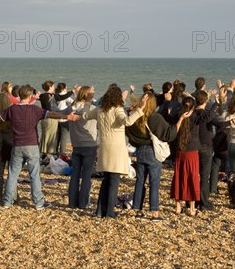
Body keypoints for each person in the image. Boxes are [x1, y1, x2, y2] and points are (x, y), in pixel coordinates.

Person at [0, 85, 78, 210]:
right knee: (34, 175)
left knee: (13, 174)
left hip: (17, 146)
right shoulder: (35, 109)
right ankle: (38, 203)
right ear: (29, 96)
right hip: (32, 145)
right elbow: (52, 114)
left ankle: (7, 201)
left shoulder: (12, 109)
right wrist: (67, 117)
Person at [82, 87, 147, 218]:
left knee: (106, 180)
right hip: (116, 150)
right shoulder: (117, 110)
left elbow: (84, 115)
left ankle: (100, 211)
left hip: (104, 148)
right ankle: (109, 212)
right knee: (114, 181)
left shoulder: (99, 109)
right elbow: (127, 121)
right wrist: (141, 108)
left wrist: (88, 102)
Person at [126, 92, 182, 220]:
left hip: (140, 151)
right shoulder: (155, 118)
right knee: (154, 182)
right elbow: (169, 134)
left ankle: (138, 210)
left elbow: (128, 129)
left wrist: (130, 110)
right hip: (153, 151)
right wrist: (180, 120)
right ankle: (154, 212)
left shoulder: (136, 118)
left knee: (140, 181)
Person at [67, 86, 98, 209]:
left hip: (76, 144)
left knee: (75, 174)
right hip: (89, 144)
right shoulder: (92, 109)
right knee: (86, 175)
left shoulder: (72, 108)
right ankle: (84, 202)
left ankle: (73, 202)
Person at [170, 98, 199, 215]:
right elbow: (207, 116)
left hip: (180, 151)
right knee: (192, 177)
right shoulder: (195, 118)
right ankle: (192, 208)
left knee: (179, 176)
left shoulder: (177, 117)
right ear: (192, 108)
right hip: (192, 152)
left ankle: (178, 207)